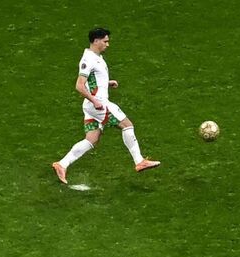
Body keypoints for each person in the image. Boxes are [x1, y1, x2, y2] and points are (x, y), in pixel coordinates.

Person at [51, 28, 160, 185]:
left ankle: (62, 164)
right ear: (96, 41)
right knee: (127, 125)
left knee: (92, 139)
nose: (108, 44)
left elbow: (92, 80)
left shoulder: (97, 57)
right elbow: (79, 86)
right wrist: (95, 101)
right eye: (105, 41)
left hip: (91, 106)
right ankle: (139, 161)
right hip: (99, 105)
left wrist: (107, 83)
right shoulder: (88, 60)